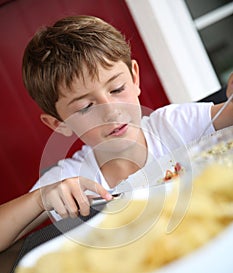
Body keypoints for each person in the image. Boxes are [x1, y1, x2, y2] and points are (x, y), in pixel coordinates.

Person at [0, 15, 233, 252]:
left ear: (134, 77)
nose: (111, 112)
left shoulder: (173, 125)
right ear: (58, 123)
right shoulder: (70, 178)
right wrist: (40, 199)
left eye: (117, 89)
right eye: (85, 108)